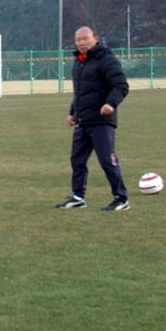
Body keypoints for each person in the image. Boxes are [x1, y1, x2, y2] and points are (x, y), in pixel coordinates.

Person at [56, 26, 131, 211]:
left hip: (102, 121)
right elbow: (80, 93)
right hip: (83, 121)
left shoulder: (106, 59)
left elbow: (121, 85)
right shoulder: (79, 63)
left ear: (95, 38)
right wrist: (73, 113)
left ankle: (121, 198)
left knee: (107, 160)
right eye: (78, 40)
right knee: (77, 160)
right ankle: (77, 197)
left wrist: (110, 104)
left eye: (85, 39)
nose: (81, 43)